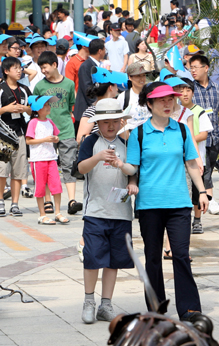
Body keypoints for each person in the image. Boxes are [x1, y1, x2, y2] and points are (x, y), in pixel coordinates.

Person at [124, 82, 208, 322]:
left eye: (170, 99)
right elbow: (134, 168)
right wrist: (129, 178)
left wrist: (201, 192)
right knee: (152, 257)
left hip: (179, 203)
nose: (167, 103)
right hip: (149, 203)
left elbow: (192, 163)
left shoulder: (181, 130)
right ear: (149, 104)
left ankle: (190, 309)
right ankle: (156, 308)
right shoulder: (138, 133)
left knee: (181, 254)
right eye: (161, 100)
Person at [77, 98, 137, 323]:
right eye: (105, 122)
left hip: (121, 212)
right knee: (92, 258)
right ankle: (89, 300)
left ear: (121, 121)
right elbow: (81, 168)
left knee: (114, 260)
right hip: (95, 211)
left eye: (115, 121)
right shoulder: (90, 142)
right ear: (98, 123)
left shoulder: (126, 143)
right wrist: (98, 157)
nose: (111, 126)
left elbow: (133, 170)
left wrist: (130, 178)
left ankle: (106, 304)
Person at [34, 51, 83, 215]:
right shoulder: (39, 86)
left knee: (69, 164)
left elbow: (70, 107)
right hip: (46, 132)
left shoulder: (69, 84)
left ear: (55, 65)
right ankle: (48, 200)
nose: (43, 71)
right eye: (41, 68)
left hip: (66, 129)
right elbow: (35, 108)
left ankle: (71, 200)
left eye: (45, 67)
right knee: (47, 166)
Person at [0, 57, 32, 217]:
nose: (19, 71)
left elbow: (34, 110)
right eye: (15, 68)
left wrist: (25, 109)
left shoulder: (25, 89)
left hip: (19, 134)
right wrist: (5, 109)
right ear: (6, 71)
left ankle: (15, 203)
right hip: (1, 135)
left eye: (20, 68)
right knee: (1, 170)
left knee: (18, 171)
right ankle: (0, 201)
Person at [190, 55, 219, 215]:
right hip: (199, 138)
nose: (192, 71)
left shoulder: (216, 88)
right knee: (203, 170)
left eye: (195, 67)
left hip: (214, 137)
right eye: (190, 68)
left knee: (209, 168)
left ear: (206, 68)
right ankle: (208, 200)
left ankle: (205, 200)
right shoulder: (191, 90)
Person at [25, 95, 69, 225]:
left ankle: (58, 212)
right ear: (38, 109)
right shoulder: (33, 122)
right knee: (40, 187)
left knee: (56, 185)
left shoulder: (50, 122)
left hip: (51, 158)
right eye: (45, 105)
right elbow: (28, 141)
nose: (48, 106)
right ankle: (42, 214)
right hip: (38, 159)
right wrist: (45, 140)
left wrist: (55, 139)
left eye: (48, 104)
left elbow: (56, 136)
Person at [178, 78, 214, 234]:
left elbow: (204, 134)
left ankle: (197, 220)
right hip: (180, 159)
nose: (185, 94)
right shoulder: (174, 111)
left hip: (197, 158)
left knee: (198, 190)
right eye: (181, 91)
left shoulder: (199, 111)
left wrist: (186, 139)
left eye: (188, 90)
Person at [75, 38, 106, 133]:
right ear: (100, 51)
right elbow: (87, 89)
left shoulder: (99, 65)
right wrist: (98, 105)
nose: (105, 52)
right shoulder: (86, 66)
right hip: (86, 110)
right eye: (104, 49)